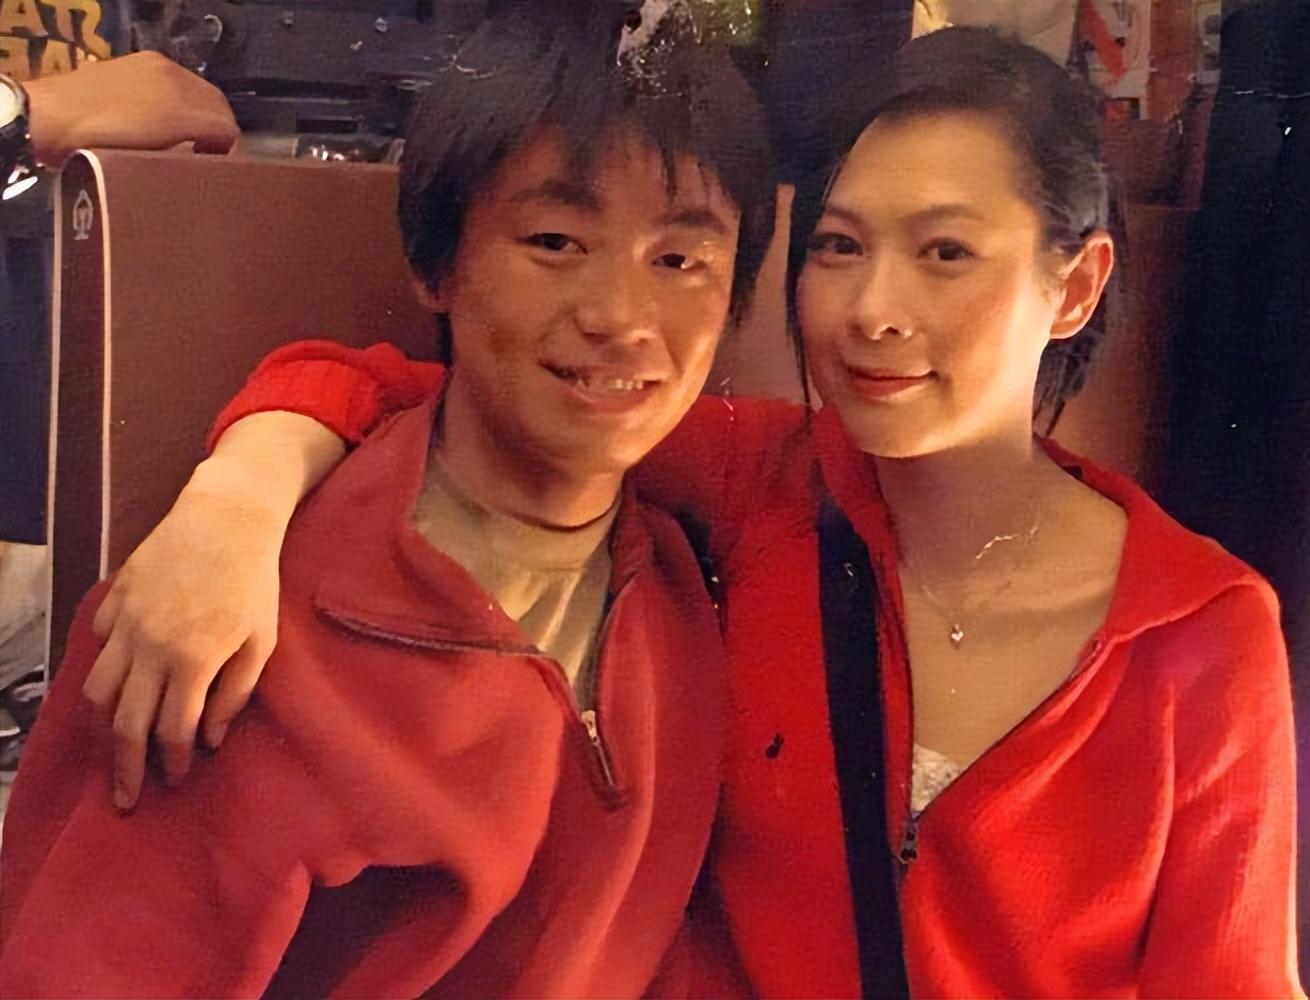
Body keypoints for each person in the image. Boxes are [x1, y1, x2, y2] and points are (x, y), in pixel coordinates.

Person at [25, 25, 1302, 997]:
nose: (872, 310)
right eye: (838, 246)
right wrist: (238, 495)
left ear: (1073, 285)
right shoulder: (759, 490)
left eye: (945, 252)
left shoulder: (1195, 633)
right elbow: (443, 394)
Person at [0, 4, 777, 995]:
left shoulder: (696, 557)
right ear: (435, 264)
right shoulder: (227, 636)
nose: (621, 317)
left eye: (679, 261)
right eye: (554, 241)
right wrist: (240, 491)